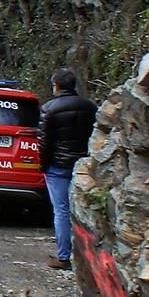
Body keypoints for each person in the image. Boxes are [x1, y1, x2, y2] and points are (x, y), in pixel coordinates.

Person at [39, 66, 98, 272]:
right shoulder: (90, 107)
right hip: (84, 165)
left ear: (55, 86)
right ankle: (90, 258)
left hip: (58, 166)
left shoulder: (49, 108)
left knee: (62, 210)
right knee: (84, 210)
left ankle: (64, 257)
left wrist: (43, 165)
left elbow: (44, 141)